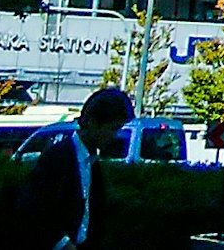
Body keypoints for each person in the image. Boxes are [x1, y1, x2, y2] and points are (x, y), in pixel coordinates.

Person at [10, 87, 134, 249]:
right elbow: (34, 209)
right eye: (112, 128)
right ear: (93, 122)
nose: (115, 135)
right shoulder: (57, 158)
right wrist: (62, 243)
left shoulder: (91, 162)